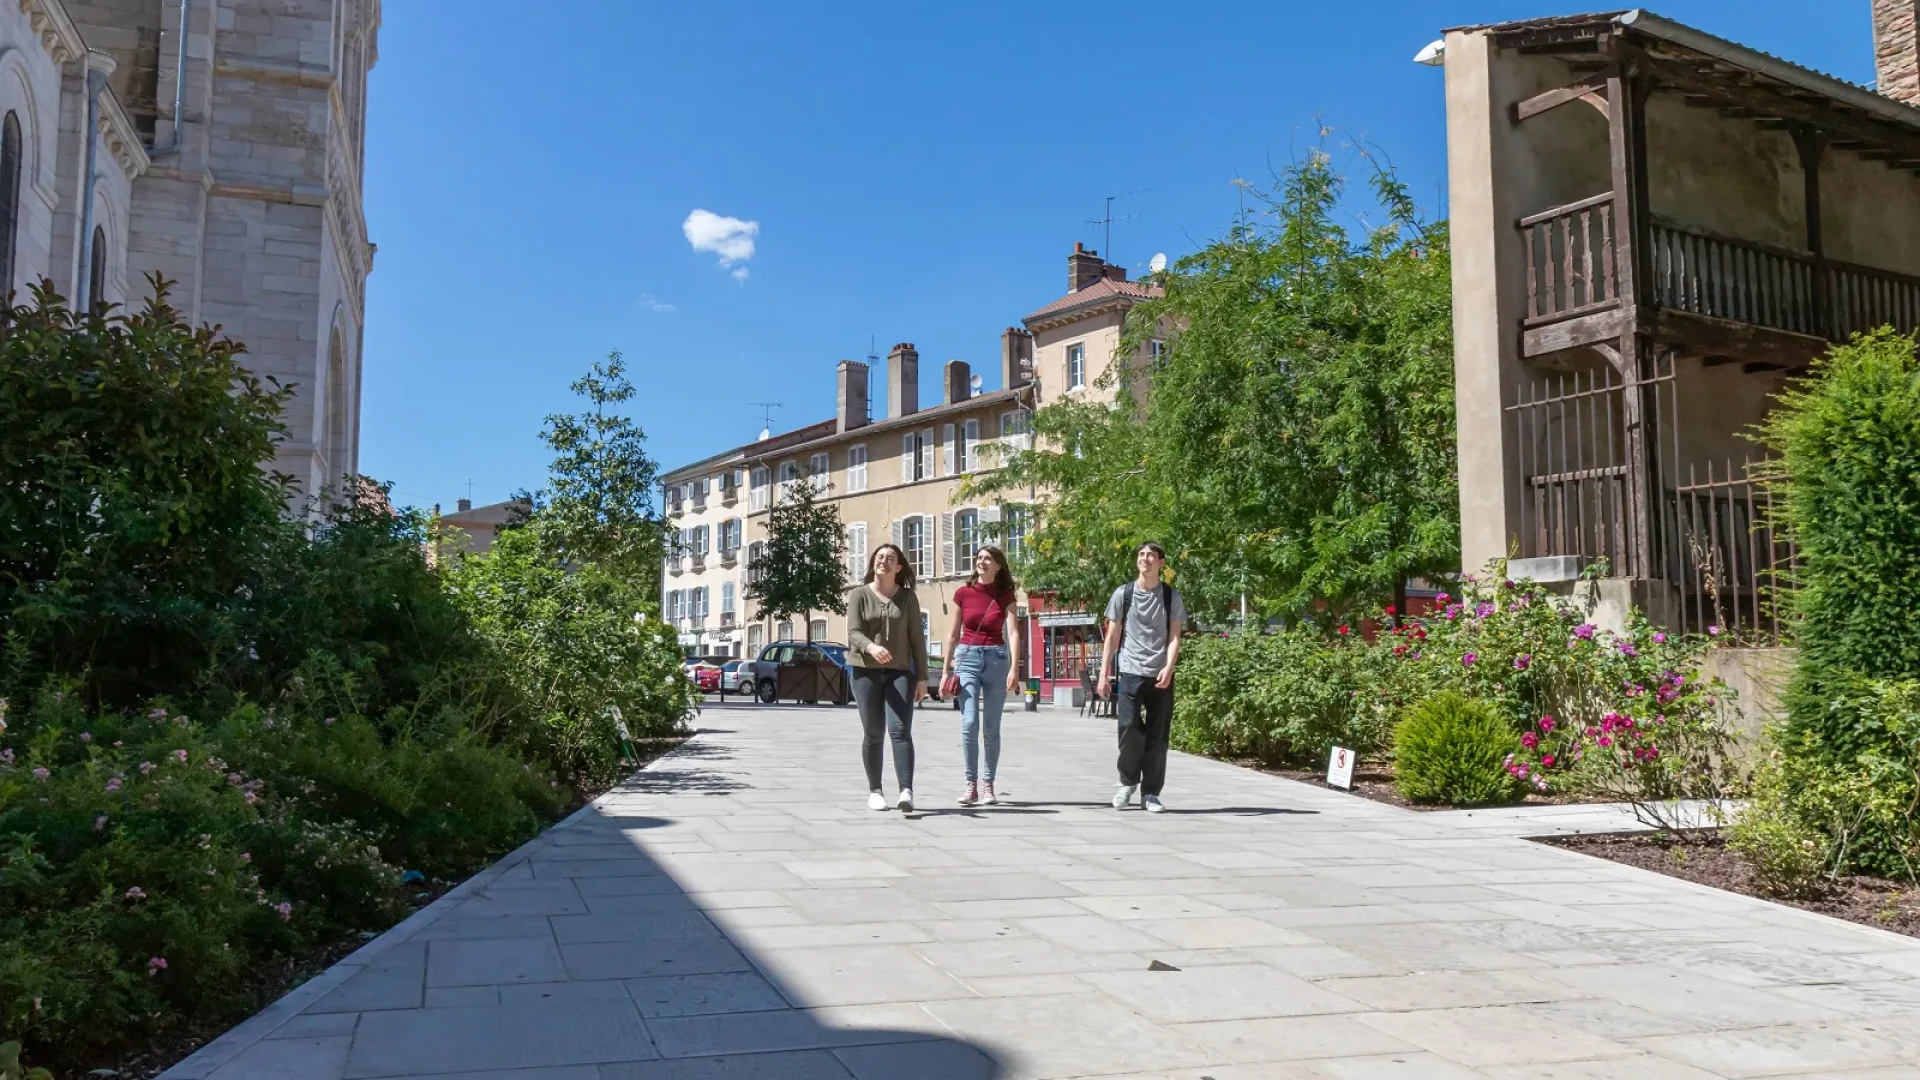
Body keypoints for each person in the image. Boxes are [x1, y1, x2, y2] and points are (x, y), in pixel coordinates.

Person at [1097, 542, 1187, 812]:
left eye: (1151, 556)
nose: (1145, 559)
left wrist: (1169, 667)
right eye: (1141, 555)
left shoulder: (1171, 596)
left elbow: (1174, 636)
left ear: (1161, 563)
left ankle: (1151, 793)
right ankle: (1127, 782)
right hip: (1131, 670)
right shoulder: (1123, 594)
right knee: (1129, 728)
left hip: (1160, 673)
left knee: (1158, 735)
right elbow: (1112, 637)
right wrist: (1103, 674)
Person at [845, 543, 930, 811]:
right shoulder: (858, 594)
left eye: (890, 558)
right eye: (880, 557)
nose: (884, 561)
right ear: (873, 563)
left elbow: (917, 639)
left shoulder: (907, 598)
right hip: (864, 672)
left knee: (900, 731)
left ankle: (906, 791)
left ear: (899, 567)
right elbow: (854, 632)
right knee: (873, 732)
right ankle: (875, 791)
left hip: (900, 672)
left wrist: (922, 678)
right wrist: (871, 647)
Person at [942, 545, 1023, 806]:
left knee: (991, 726)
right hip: (967, 657)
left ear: (998, 565)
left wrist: (1014, 668)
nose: (982, 562)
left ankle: (988, 785)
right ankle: (971, 784)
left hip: (997, 658)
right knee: (969, 724)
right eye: (979, 558)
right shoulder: (963, 593)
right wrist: (945, 671)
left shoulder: (1005, 595)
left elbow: (1012, 632)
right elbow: (953, 633)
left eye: (988, 559)